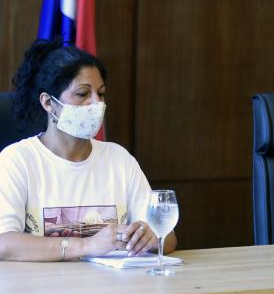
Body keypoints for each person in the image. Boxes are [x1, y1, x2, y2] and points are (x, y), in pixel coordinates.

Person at [0, 39, 177, 261]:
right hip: (43, 291)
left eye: (100, 93)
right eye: (83, 94)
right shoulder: (17, 160)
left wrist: (150, 238)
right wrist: (86, 245)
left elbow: (168, 238)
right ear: (48, 103)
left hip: (114, 290)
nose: (96, 103)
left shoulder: (118, 158)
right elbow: (4, 243)